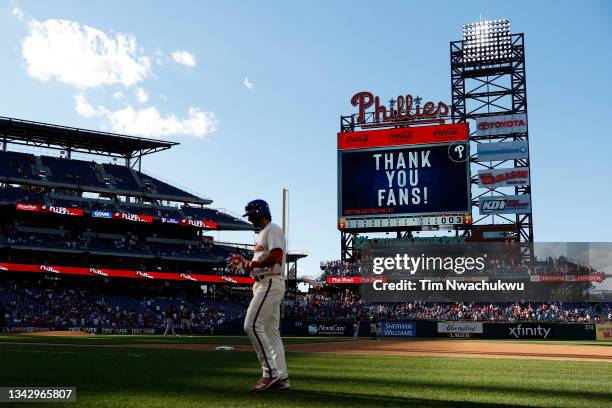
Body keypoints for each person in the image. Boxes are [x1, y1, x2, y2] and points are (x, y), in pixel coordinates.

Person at [230, 199, 289, 392]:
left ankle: (270, 374)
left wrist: (251, 264)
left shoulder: (272, 228)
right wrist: (246, 262)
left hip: (269, 282)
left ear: (260, 212)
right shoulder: (264, 233)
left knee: (251, 325)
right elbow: (260, 261)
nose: (250, 219)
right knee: (272, 334)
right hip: (265, 281)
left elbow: (276, 256)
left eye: (251, 215)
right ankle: (281, 377)